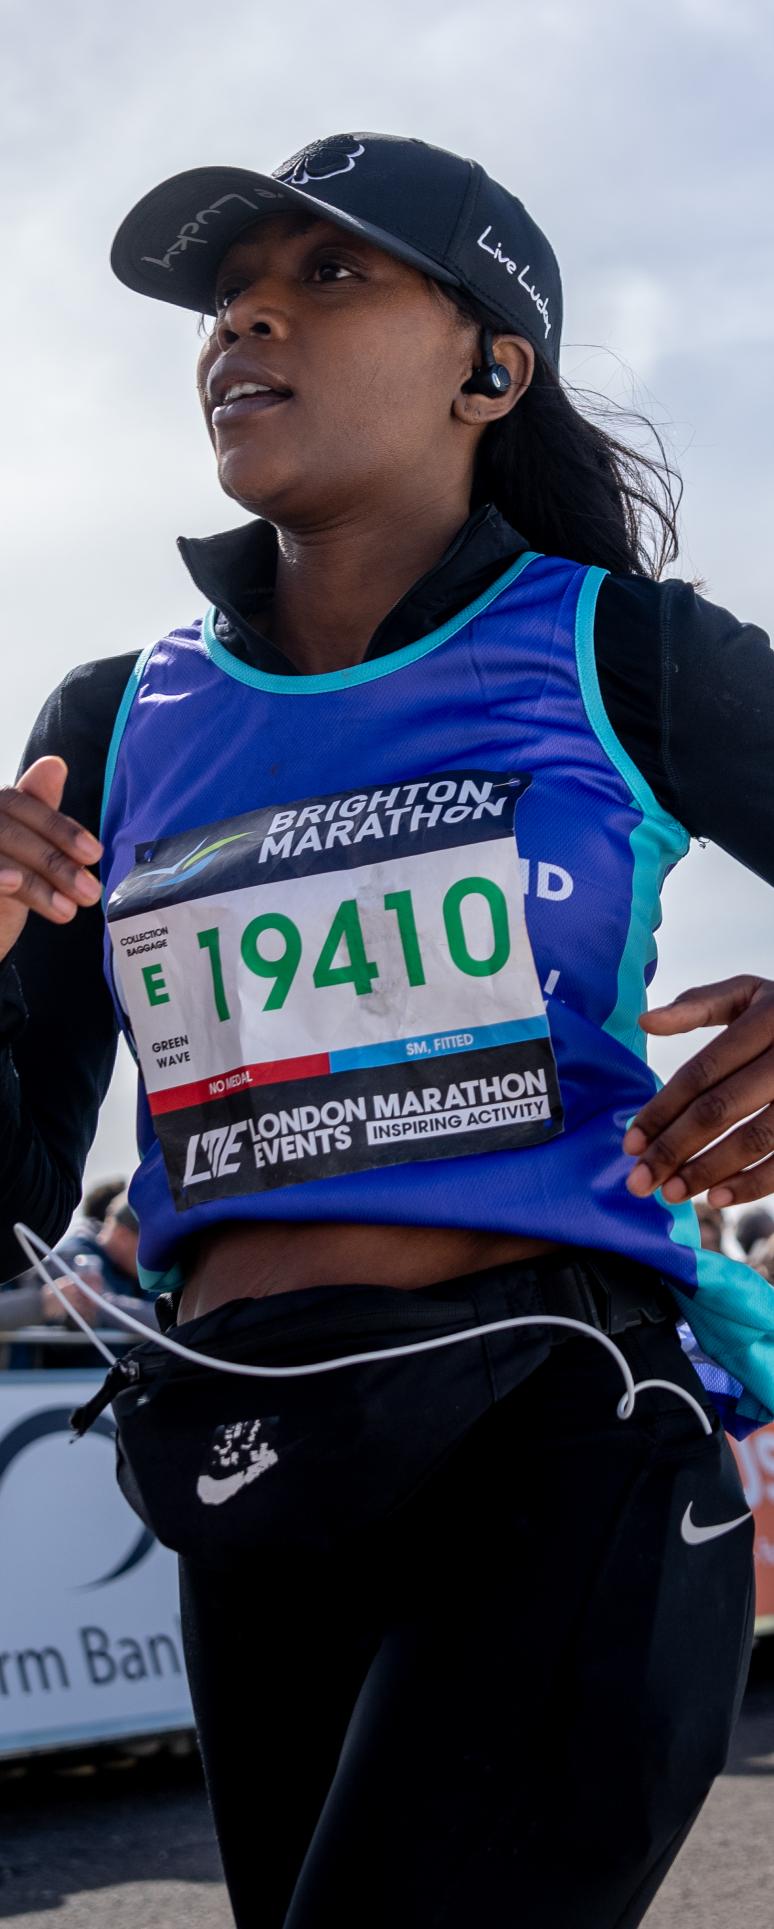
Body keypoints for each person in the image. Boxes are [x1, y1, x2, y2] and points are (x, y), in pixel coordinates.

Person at [1, 131, 774, 1926]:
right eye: (225, 293)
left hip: (562, 1439)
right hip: (244, 1474)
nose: (243, 316)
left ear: (487, 371)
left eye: (329, 273)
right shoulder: (110, 722)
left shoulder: (620, 653)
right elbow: (21, 1176)